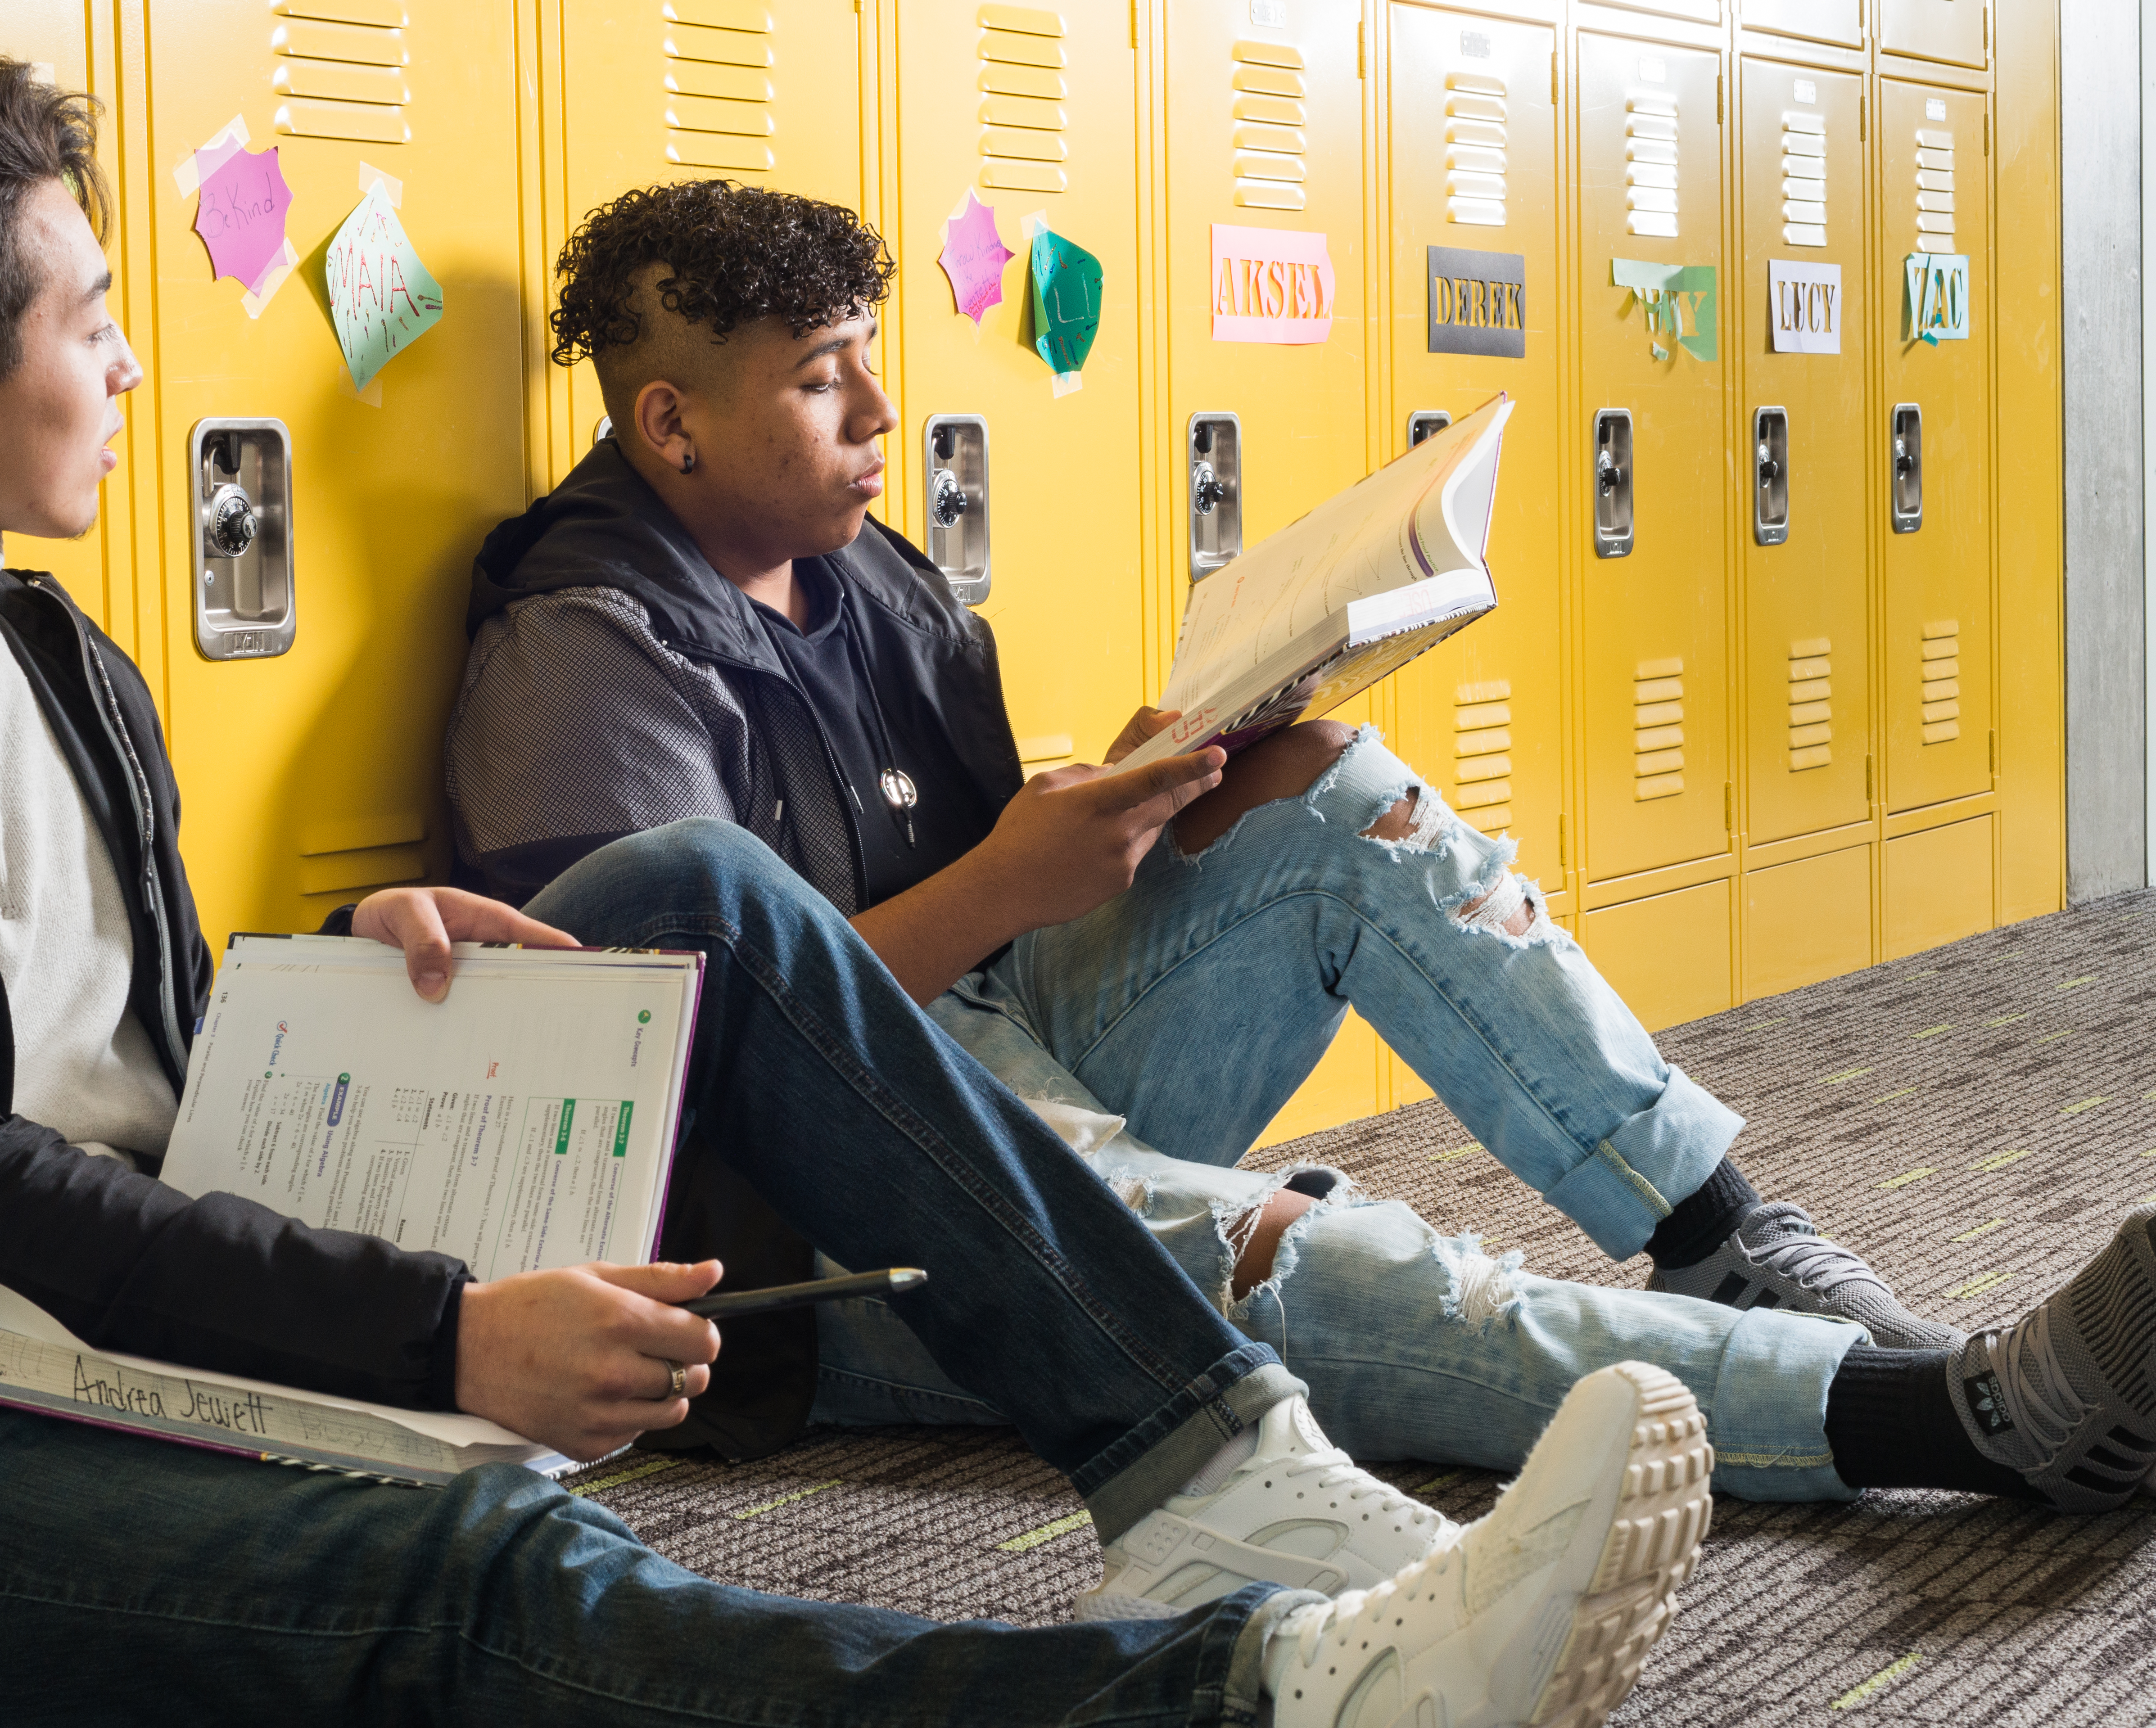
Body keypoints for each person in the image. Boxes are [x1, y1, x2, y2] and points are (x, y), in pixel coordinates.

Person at [0, 55, 1707, 1728]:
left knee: (703, 886)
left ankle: (1200, 1455)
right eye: (89, 320)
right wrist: (443, 1336)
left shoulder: (45, 643)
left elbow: (77, 1045)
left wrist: (337, 946)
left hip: (122, 1308)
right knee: (483, 1559)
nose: (138, 362)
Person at [444, 177, 2156, 1538]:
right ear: (669, 427)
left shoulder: (866, 571)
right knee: (1294, 1260)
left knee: (1329, 788)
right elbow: (650, 1058)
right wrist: (1009, 886)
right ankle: (1944, 1419)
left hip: (998, 1052)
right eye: (824, 382)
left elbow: (970, 887)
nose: (885, 408)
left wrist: (1131, 788)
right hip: (810, 1243)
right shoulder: (584, 647)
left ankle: (1724, 1231)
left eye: (872, 356)